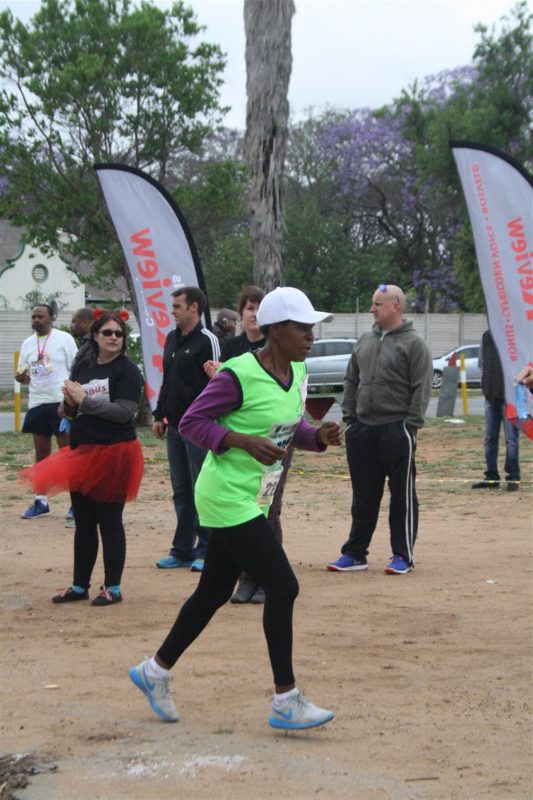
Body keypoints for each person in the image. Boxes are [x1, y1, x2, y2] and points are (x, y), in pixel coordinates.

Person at [129, 287, 341, 730]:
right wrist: (240, 440)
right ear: (275, 331)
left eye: (312, 327)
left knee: (213, 591)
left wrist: (317, 437)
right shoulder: (237, 374)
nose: (311, 336)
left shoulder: (296, 370)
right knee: (283, 586)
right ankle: (286, 699)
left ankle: (155, 670)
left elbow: (289, 427)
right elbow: (192, 422)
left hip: (254, 496)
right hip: (225, 495)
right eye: (302, 328)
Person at [20, 310, 144, 606]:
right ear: (96, 336)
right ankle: (79, 585)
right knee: (84, 522)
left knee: (109, 521)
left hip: (114, 453)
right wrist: (67, 405)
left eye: (119, 333)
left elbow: (124, 412)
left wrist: (84, 401)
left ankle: (112, 587)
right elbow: (70, 409)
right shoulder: (84, 365)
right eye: (108, 333)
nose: (114, 337)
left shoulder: (127, 370)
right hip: (82, 452)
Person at [327, 283, 432, 575]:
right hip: (362, 430)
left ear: (396, 305)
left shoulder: (414, 344)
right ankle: (354, 553)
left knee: (401, 496)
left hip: (396, 429)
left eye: (377, 304)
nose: (372, 309)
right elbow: (351, 380)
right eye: (373, 303)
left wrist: (410, 425)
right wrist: (350, 418)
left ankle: (402, 555)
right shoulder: (364, 341)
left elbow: (421, 387)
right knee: (363, 496)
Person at [204, 285, 275, 603]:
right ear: (241, 313)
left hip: (271, 445)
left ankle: (266, 579)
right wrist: (218, 377)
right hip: (237, 446)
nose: (254, 315)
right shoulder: (232, 347)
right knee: (239, 513)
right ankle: (245, 579)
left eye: (260, 309)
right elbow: (221, 396)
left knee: (267, 510)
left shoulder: (276, 348)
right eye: (249, 308)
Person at [153, 286, 220, 573]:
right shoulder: (171, 338)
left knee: (200, 488)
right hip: (175, 427)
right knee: (181, 490)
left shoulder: (208, 340)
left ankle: (206, 549)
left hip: (199, 429)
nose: (173, 311)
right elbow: (167, 379)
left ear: (194, 307)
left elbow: (219, 382)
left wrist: (208, 421)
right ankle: (181, 549)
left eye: (178, 306)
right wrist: (159, 414)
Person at [16, 303, 78, 519]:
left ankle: (77, 503)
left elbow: (76, 368)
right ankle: (41, 501)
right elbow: (25, 374)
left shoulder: (64, 339)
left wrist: (70, 401)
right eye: (33, 317)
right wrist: (22, 377)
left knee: (68, 454)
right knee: (41, 456)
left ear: (51, 318)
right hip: (37, 403)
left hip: (61, 404)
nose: (36, 320)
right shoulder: (27, 343)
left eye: (41, 316)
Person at [472, 330, 520, 492]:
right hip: (490, 396)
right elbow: (482, 363)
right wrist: (485, 385)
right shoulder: (486, 336)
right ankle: (491, 476)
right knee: (489, 439)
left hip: (509, 398)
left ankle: (513, 477)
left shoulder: (513, 334)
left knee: (511, 440)